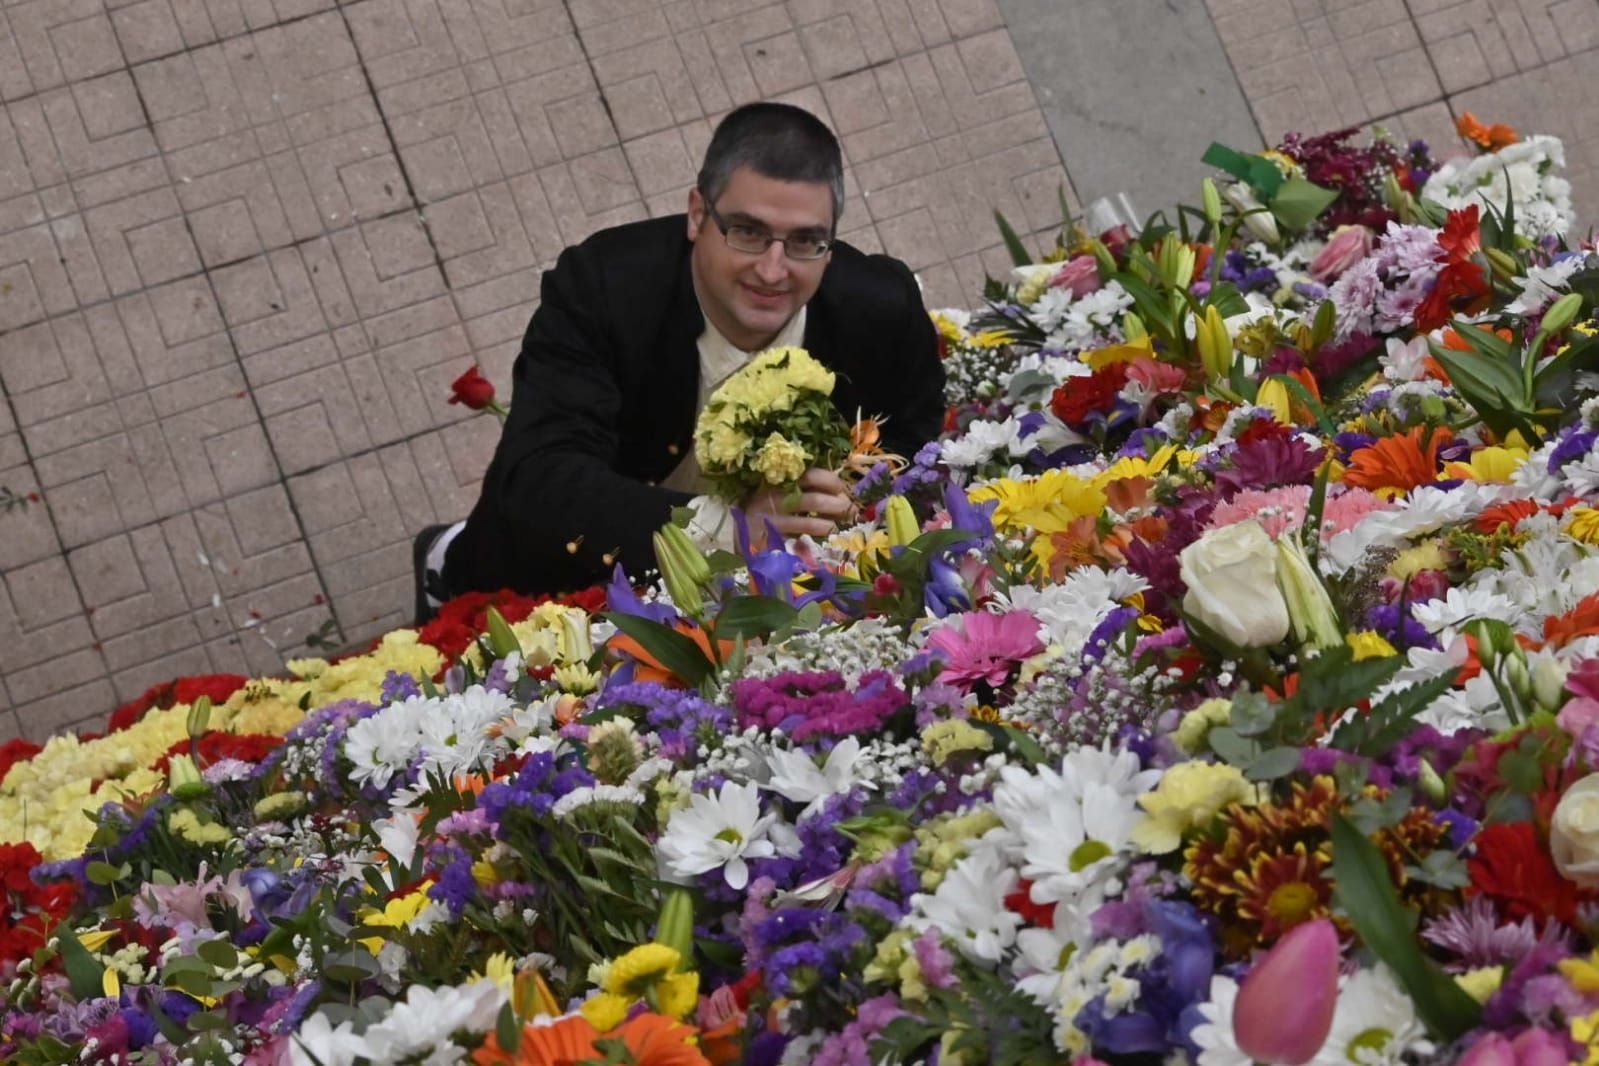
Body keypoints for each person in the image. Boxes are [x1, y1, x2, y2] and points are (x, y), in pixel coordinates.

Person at [421, 102, 944, 610]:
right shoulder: (603, 287)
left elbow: (911, 440)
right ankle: (440, 558)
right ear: (697, 214)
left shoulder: (882, 306)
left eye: (807, 241)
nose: (772, 270)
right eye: (747, 232)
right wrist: (728, 529)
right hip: (578, 574)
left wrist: (845, 498)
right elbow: (541, 478)